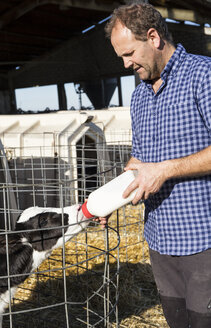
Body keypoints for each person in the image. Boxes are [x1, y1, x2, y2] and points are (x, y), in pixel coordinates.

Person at [99, 2, 211, 328]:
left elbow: (158, 169)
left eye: (129, 53)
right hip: (159, 242)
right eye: (121, 56)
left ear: (153, 37)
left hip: (202, 241)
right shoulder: (139, 97)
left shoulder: (202, 76)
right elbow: (143, 161)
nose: (125, 64)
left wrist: (163, 170)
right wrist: (113, 197)